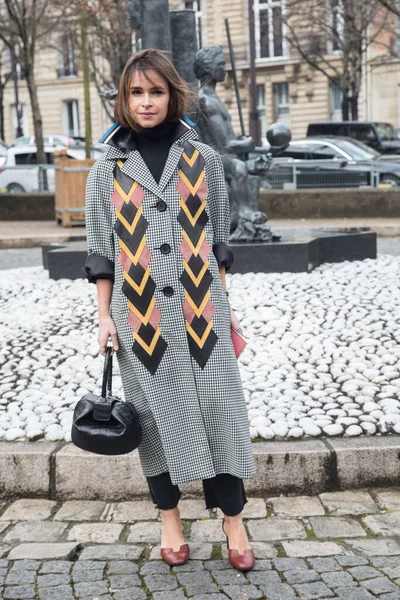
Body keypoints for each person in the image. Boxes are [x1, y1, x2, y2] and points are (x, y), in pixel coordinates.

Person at [83, 48, 257, 571]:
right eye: (136, 92)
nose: (146, 102)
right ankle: (170, 521)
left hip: (202, 306)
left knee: (222, 414)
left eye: (156, 91)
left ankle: (233, 520)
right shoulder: (106, 169)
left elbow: (219, 239)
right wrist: (105, 317)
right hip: (142, 318)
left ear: (173, 94)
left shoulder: (202, 159)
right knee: (157, 423)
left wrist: (226, 309)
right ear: (123, 98)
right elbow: (100, 250)